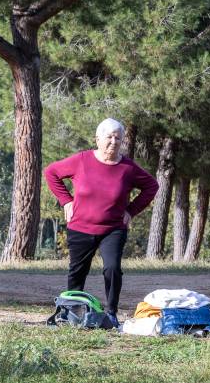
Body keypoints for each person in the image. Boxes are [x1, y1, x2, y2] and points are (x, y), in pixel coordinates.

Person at [44, 118, 159, 322]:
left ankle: (111, 313)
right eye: (109, 137)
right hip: (80, 226)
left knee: (112, 268)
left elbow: (152, 186)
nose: (114, 142)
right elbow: (51, 172)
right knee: (78, 270)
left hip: (113, 228)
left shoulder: (128, 168)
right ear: (97, 139)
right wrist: (66, 201)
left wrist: (131, 211)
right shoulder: (81, 160)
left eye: (118, 138)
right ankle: (71, 312)